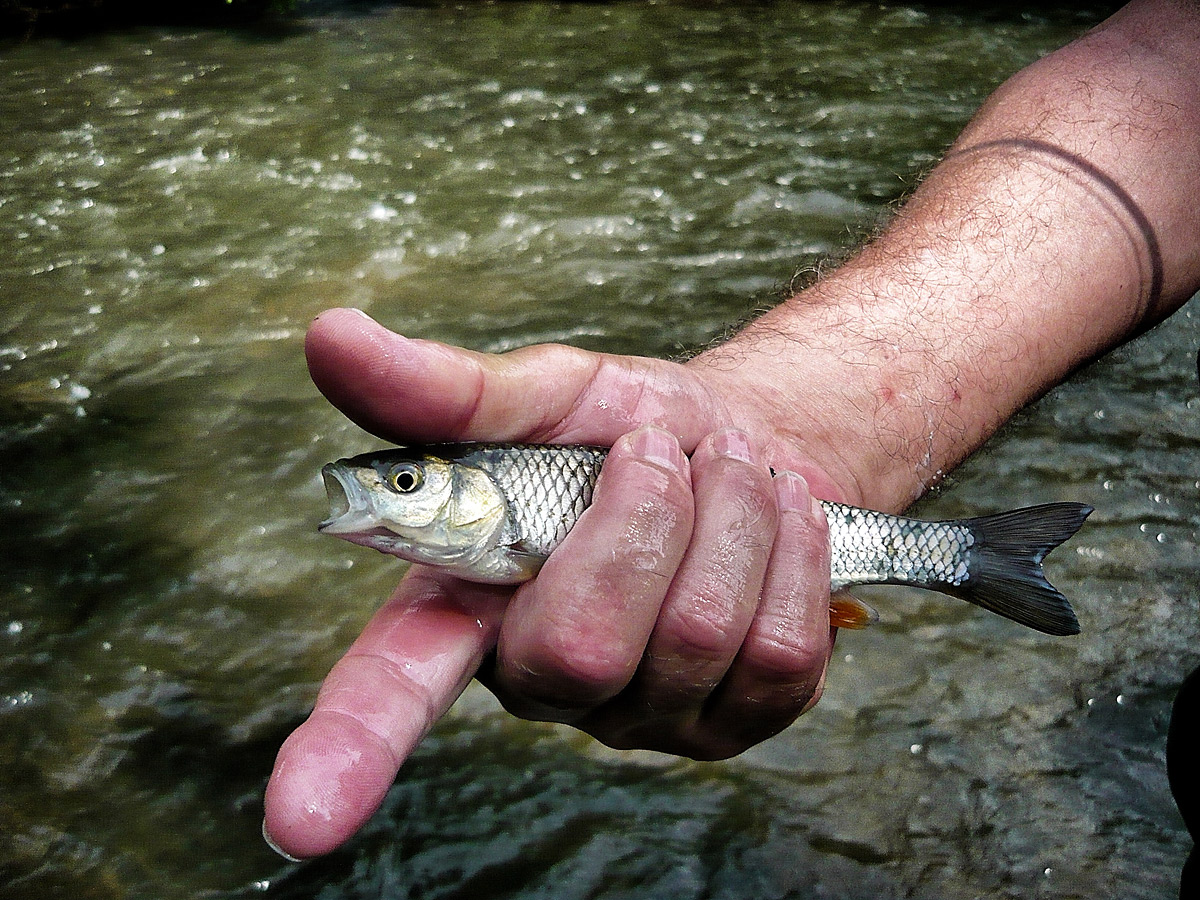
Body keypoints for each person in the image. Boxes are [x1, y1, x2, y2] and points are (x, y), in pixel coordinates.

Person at [263, 0, 1200, 868]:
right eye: (401, 485)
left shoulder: (507, 525)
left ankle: (964, 557)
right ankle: (960, 557)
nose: (384, 494)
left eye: (407, 484)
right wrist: (801, 411)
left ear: (472, 495)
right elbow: (1170, 71)